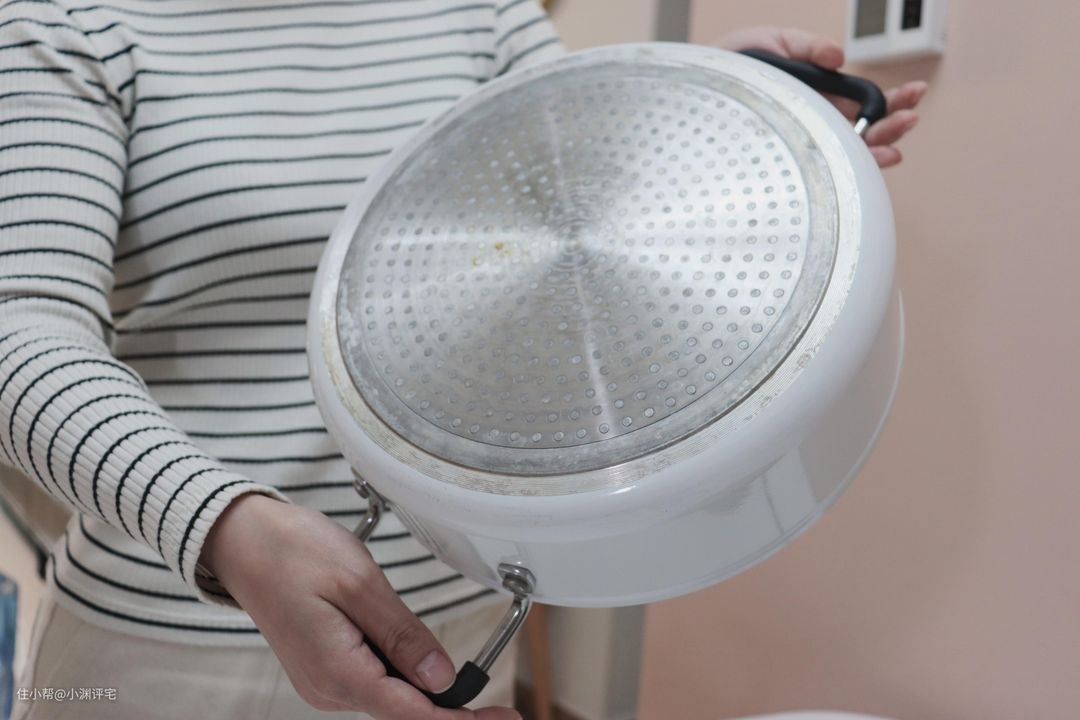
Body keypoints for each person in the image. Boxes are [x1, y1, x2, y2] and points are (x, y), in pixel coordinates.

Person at [0, 0, 925, 717]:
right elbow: (20, 334)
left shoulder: (476, 13)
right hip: (171, 641)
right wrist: (227, 528)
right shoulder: (71, 23)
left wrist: (706, 96)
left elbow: (573, 209)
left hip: (456, 629)